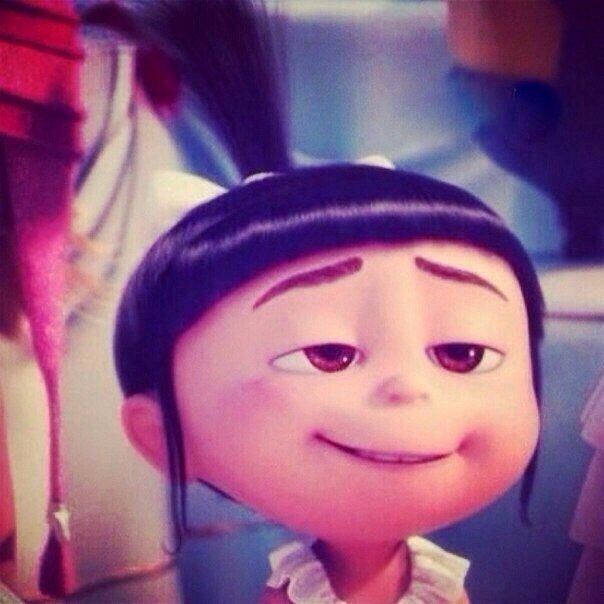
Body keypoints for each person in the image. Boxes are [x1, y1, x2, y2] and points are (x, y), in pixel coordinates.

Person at [112, 1, 544, 602]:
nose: (406, 386)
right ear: (161, 435)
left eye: (462, 352)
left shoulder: (440, 580)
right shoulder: (297, 590)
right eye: (328, 354)